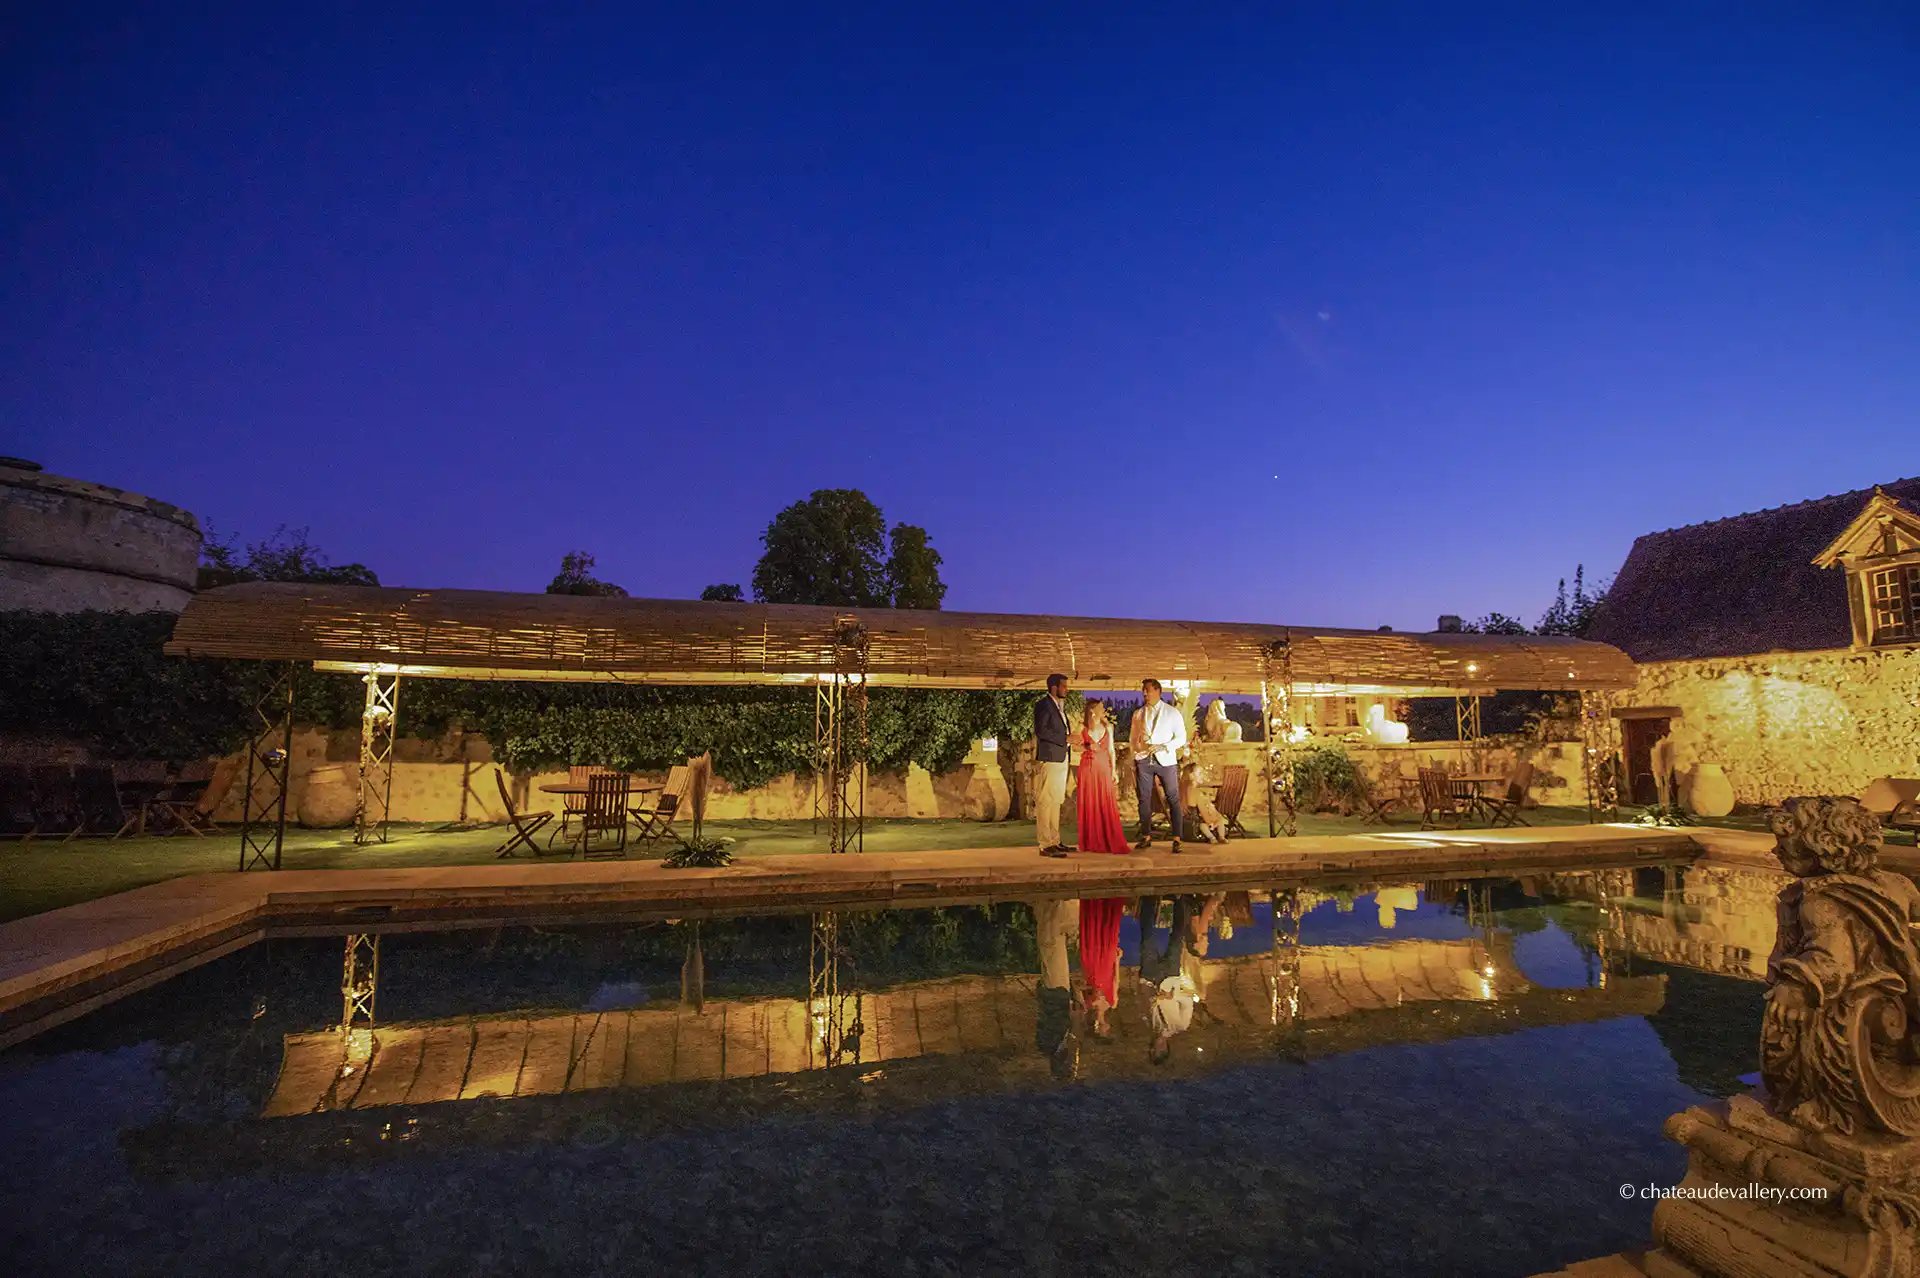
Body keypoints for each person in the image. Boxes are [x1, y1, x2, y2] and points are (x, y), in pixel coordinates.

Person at [1129, 678, 1187, 851]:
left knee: (1173, 798)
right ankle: (1146, 836)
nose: (1144, 693)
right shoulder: (1138, 714)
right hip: (1144, 761)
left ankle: (1177, 838)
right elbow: (1132, 739)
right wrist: (1137, 753)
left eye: (1147, 690)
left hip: (1166, 760)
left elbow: (1182, 738)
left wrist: (1164, 746)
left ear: (1158, 691)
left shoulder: (1172, 712)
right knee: (1144, 800)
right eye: (1143, 690)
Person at [1031, 897, 1080, 1079]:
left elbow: (1052, 1018)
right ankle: (1050, 906)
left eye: (1071, 1063)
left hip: (1054, 993)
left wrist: (1072, 1021)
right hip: (1057, 993)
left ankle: (1050, 905)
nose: (1073, 1060)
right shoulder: (1057, 1043)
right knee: (1052, 949)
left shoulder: (1049, 1044)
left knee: (1052, 946)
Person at [1032, 673, 1073, 858]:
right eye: (1064, 686)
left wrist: (1070, 742)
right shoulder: (1043, 705)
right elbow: (1041, 730)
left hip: (1061, 757)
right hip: (1050, 758)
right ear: (1054, 687)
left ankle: (1055, 840)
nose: (1067, 689)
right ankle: (1044, 844)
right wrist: (1065, 739)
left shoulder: (1060, 707)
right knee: (1046, 800)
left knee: (1056, 800)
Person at [1180, 757, 1226, 844]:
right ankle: (1219, 837)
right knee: (1218, 820)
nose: (1203, 775)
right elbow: (1204, 812)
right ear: (1191, 776)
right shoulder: (1196, 792)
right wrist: (1213, 822)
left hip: (1184, 828)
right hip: (1195, 829)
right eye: (1200, 773)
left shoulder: (1184, 790)